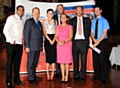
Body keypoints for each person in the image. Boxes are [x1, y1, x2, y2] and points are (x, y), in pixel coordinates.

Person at [3, 5, 25, 88]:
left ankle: (16, 79)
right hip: (11, 44)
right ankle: (8, 81)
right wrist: (11, 40)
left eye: (22, 10)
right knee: (10, 63)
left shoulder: (22, 20)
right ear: (16, 10)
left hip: (19, 44)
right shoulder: (11, 18)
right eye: (19, 10)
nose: (21, 11)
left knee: (17, 63)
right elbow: (5, 30)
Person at [69, 6, 91, 82]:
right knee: (75, 60)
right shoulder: (72, 21)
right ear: (75, 11)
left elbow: (90, 31)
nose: (78, 11)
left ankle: (82, 76)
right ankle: (76, 75)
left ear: (82, 11)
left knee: (84, 60)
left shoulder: (87, 20)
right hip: (75, 42)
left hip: (84, 42)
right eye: (77, 10)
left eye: (80, 10)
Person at [90, 6, 110, 86]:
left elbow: (105, 32)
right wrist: (94, 40)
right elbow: (91, 32)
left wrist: (98, 41)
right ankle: (96, 75)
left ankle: (104, 78)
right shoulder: (93, 21)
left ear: (101, 11)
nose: (96, 12)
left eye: (98, 10)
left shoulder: (104, 21)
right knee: (96, 60)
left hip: (102, 42)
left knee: (102, 60)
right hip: (95, 41)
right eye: (95, 11)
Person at [24, 7, 43, 85]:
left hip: (38, 46)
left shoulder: (39, 22)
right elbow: (26, 35)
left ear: (39, 14)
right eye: (34, 12)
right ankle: (31, 78)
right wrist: (27, 46)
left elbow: (40, 35)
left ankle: (34, 75)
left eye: (37, 12)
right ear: (32, 13)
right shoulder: (29, 22)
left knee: (35, 62)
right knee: (30, 63)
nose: (36, 14)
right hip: (31, 46)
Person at [56, 13, 73, 83]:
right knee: (61, 62)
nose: (63, 19)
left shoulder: (70, 27)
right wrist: (59, 41)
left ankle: (66, 76)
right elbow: (56, 37)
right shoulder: (57, 27)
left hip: (67, 45)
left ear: (67, 19)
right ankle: (62, 76)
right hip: (60, 45)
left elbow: (71, 36)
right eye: (61, 17)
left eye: (64, 17)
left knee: (66, 62)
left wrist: (64, 41)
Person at [42, 9, 56, 80]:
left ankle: (53, 73)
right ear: (47, 14)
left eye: (51, 13)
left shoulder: (55, 21)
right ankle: (47, 73)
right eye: (49, 13)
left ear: (53, 14)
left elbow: (57, 32)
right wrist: (49, 40)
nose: (50, 15)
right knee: (48, 57)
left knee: (53, 57)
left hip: (54, 39)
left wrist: (53, 40)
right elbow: (44, 32)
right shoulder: (44, 21)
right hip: (47, 39)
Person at [53, 4, 64, 78]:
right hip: (56, 38)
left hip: (65, 39)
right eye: (58, 8)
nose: (60, 9)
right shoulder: (54, 17)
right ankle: (58, 72)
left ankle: (64, 71)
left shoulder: (67, 18)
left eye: (61, 8)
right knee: (57, 55)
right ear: (57, 10)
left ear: (63, 9)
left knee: (64, 56)